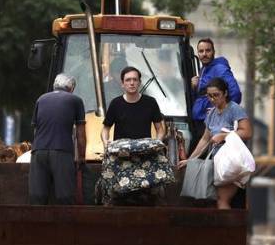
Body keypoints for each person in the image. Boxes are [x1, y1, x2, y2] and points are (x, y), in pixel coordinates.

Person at [178, 77, 252, 209]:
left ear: (225, 93)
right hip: (217, 163)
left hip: (232, 163)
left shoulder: (234, 109)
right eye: (209, 96)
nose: (212, 99)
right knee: (212, 200)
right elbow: (205, 139)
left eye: (216, 95)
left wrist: (224, 136)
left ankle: (227, 229)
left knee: (221, 199)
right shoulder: (212, 112)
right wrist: (190, 160)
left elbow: (247, 132)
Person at [29, 74, 86, 205]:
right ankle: (65, 225)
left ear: (54, 86)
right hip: (62, 151)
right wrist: (81, 157)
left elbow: (36, 130)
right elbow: (80, 132)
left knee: (37, 197)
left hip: (38, 151)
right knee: (64, 197)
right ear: (71, 88)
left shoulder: (41, 99)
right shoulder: (75, 100)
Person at [191, 38, 242, 141]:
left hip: (212, 124)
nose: (204, 54)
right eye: (201, 51)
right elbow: (202, 96)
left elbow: (236, 93)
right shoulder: (204, 69)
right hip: (201, 123)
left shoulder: (219, 68)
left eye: (208, 50)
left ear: (213, 52)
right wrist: (194, 86)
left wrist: (222, 111)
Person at [101, 66, 165, 146]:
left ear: (139, 82)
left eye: (135, 79)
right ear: (122, 84)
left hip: (145, 151)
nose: (132, 83)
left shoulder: (150, 102)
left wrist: (157, 143)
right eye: (128, 80)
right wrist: (105, 142)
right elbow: (105, 129)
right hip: (121, 152)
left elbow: (160, 130)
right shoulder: (115, 103)